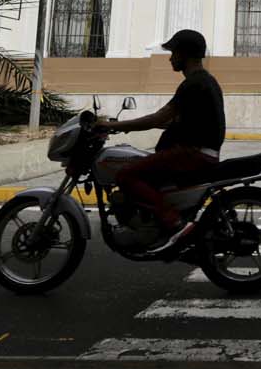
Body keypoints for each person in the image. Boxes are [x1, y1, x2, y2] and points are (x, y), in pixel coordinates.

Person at [96, 29, 225, 253]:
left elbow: (159, 118)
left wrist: (112, 126)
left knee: (126, 175)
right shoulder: (204, 81)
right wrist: (126, 128)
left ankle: (173, 222)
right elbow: (174, 121)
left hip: (192, 154)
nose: (170, 57)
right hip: (199, 152)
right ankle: (151, 223)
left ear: (185, 53)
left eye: (174, 52)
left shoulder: (193, 83)